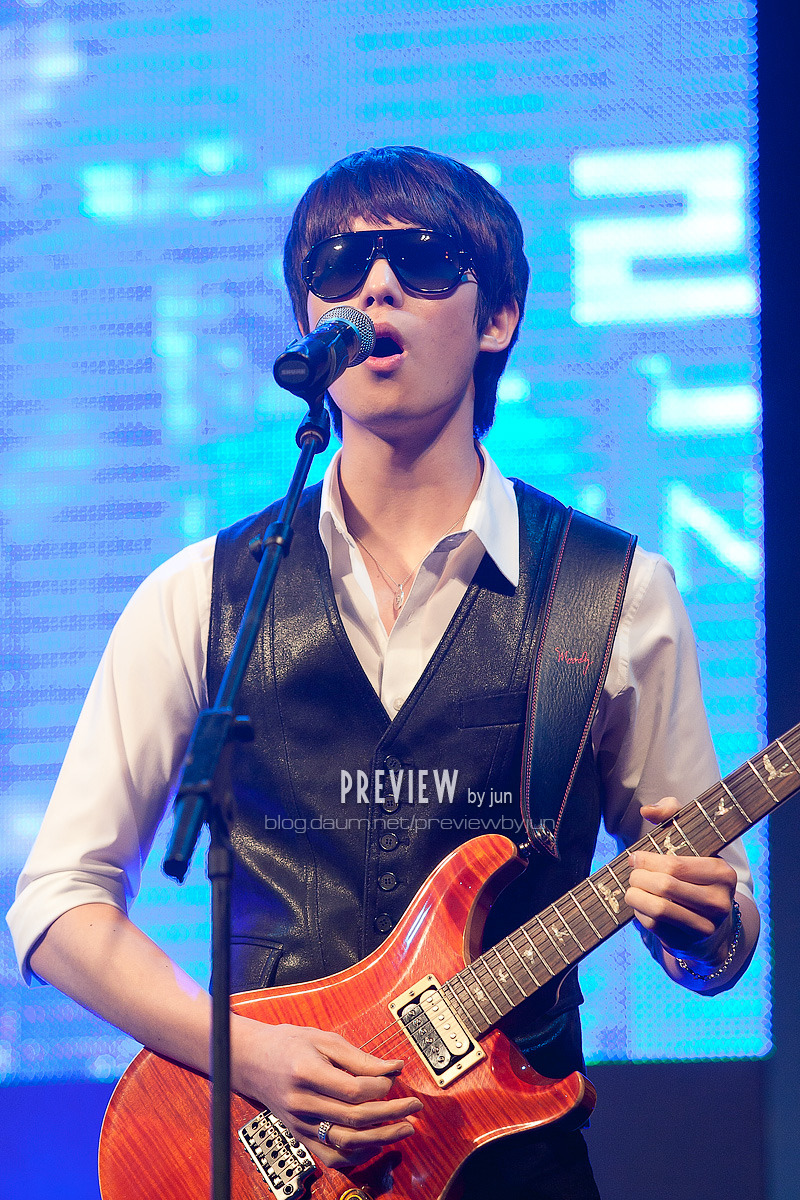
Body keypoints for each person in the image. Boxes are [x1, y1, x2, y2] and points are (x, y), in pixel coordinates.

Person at [7, 146, 759, 1199]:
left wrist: (706, 926)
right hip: (263, 1153)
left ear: (498, 317)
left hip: (514, 1162)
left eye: (422, 260)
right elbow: (57, 902)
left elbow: (708, 922)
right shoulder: (202, 591)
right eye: (339, 265)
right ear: (308, 319)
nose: (374, 287)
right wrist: (247, 1052)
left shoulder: (616, 593)